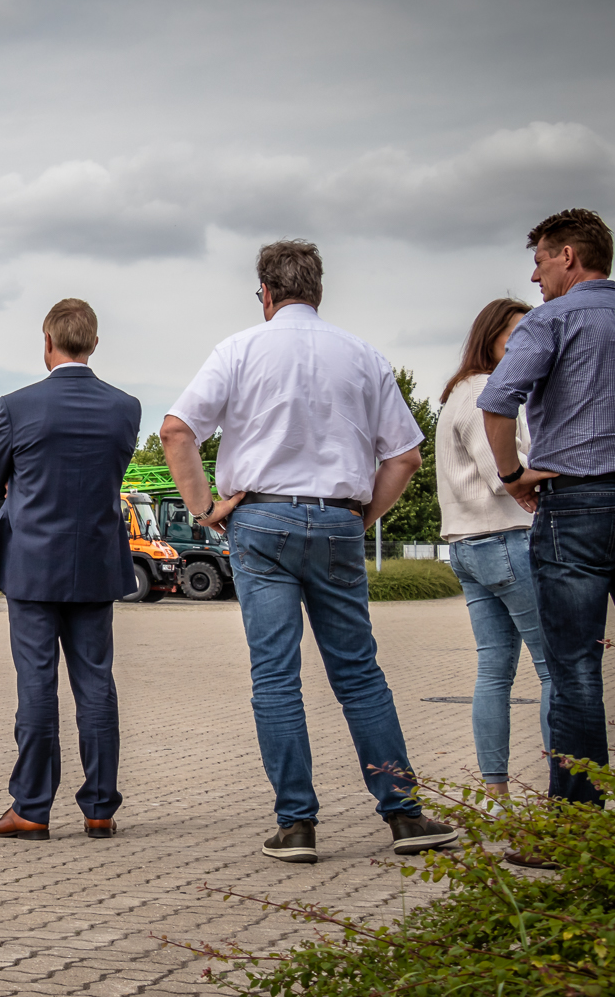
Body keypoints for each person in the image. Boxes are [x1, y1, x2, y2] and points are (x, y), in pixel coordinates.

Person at [160, 239, 460, 863]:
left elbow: (177, 429)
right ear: (318, 291)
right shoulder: (363, 356)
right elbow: (405, 456)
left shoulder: (238, 349)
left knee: (275, 676)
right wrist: (361, 516)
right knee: (357, 673)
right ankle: (403, 815)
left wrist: (203, 510)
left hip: (261, 522)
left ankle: (297, 824)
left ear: (265, 294)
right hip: (338, 524)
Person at [0, 299, 139, 843]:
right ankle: (99, 809)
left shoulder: (17, 406)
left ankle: (31, 808)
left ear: (48, 342)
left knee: (36, 683)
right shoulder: (126, 408)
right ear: (93, 343)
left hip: (31, 566)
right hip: (95, 561)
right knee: (96, 683)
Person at [479, 208, 615, 808]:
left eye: (538, 261)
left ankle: (576, 821)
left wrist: (511, 476)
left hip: (578, 503)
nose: (534, 278)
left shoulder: (551, 321)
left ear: (568, 256)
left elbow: (499, 400)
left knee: (575, 667)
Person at [437, 298, 550, 796]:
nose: (526, 346)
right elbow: (502, 474)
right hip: (504, 541)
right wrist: (558, 470)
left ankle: (496, 797)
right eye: (515, 336)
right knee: (557, 671)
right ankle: (567, 798)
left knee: (494, 672)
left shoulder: (457, 392)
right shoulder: (487, 392)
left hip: (466, 548)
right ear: (492, 337)